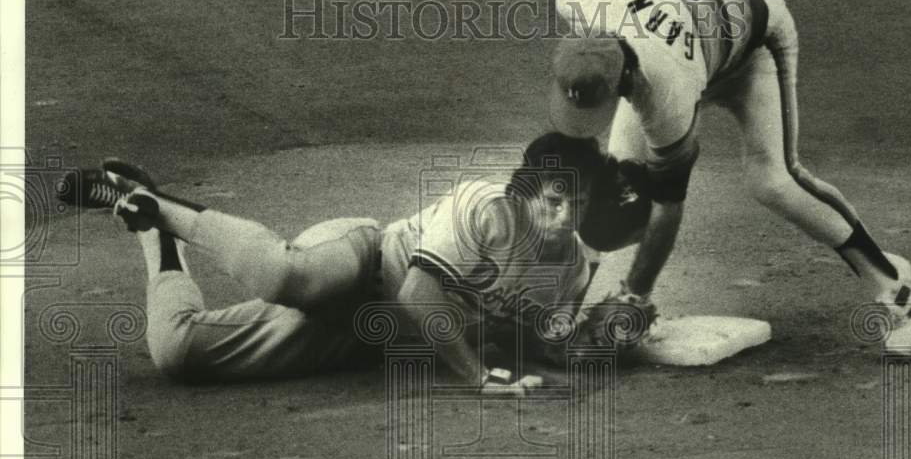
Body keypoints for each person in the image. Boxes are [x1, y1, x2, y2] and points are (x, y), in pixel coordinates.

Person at [548, 0, 911, 350]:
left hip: (755, 43)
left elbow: (668, 208)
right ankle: (563, 309)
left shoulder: (664, 90)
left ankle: (892, 287)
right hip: (690, 43)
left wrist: (635, 298)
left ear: (624, 78)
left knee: (776, 180)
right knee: (617, 179)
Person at [57, 133, 606, 390]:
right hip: (361, 263)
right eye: (552, 200)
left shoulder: (572, 271)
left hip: (368, 340)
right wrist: (477, 377)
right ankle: (166, 209)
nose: (562, 217)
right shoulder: (484, 207)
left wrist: (590, 340)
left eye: (575, 203)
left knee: (177, 354)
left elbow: (532, 341)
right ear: (526, 191)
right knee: (284, 276)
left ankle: (158, 236)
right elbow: (417, 292)